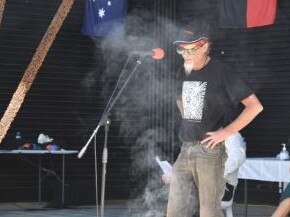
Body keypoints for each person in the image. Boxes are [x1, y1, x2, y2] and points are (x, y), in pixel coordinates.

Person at [166, 19, 263, 217]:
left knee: (209, 212)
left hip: (210, 151)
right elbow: (178, 98)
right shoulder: (182, 71)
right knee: (174, 210)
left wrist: (226, 132)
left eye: (191, 49)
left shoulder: (222, 71)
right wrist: (189, 118)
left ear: (205, 46)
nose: (185, 54)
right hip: (185, 149)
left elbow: (255, 106)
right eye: (181, 49)